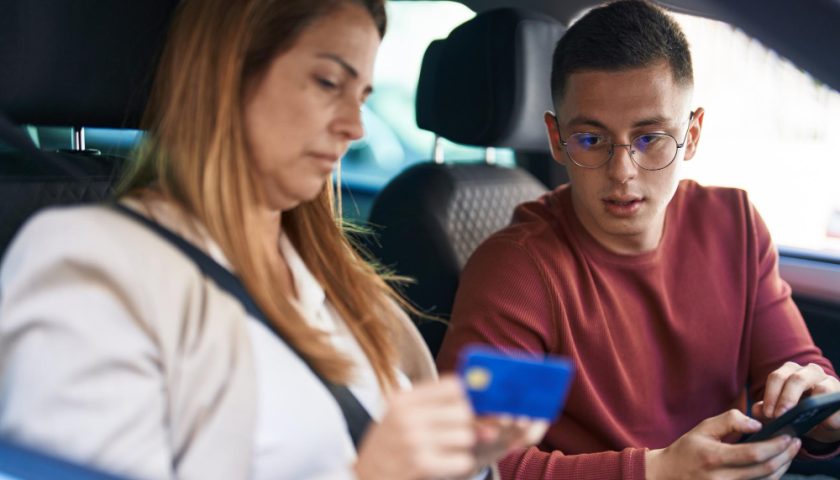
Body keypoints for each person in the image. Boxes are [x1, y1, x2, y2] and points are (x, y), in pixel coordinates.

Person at [0, 1, 546, 479]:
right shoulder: (88, 266)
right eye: (329, 82)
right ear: (225, 74)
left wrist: (467, 458)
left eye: (363, 95)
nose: (357, 126)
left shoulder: (343, 282)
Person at [436, 1, 840, 479]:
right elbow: (482, 461)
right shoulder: (524, 272)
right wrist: (657, 471)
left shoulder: (734, 226)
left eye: (650, 138)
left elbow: (795, 370)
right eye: (591, 140)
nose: (622, 172)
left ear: (691, 135)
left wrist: (822, 412)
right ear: (556, 137)